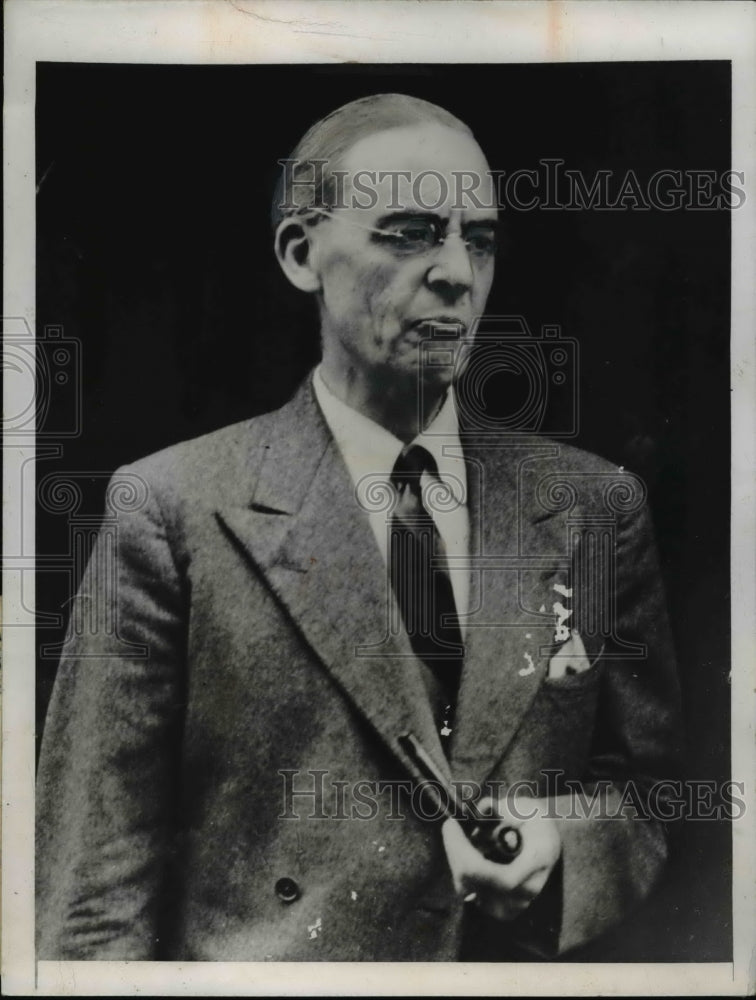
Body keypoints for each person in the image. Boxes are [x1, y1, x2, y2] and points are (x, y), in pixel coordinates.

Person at [36, 93, 682, 961]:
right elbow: (92, 897)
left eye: (478, 239)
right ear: (302, 254)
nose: (457, 271)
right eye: (411, 232)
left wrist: (561, 847)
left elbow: (648, 793)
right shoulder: (172, 510)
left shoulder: (594, 510)